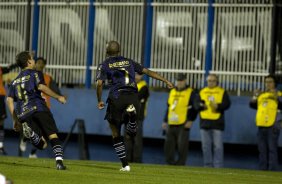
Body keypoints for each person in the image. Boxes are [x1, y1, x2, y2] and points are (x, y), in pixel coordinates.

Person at [96, 41, 174, 171]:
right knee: (131, 132)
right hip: (133, 97)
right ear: (119, 50)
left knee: (115, 133)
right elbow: (148, 72)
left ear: (107, 51)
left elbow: (99, 84)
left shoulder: (104, 64)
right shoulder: (129, 62)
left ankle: (125, 165)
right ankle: (132, 118)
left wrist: (99, 100)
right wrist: (166, 81)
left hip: (117, 97)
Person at [6, 51, 67, 170]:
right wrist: (58, 97)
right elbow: (41, 87)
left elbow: (9, 100)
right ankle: (59, 163)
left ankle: (32, 135)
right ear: (29, 62)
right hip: (38, 107)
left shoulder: (15, 81)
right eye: (33, 59)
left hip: (23, 113)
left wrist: (15, 120)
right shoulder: (35, 73)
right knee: (52, 135)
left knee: (42, 144)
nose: (34, 61)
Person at [18, 57, 63, 158]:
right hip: (31, 107)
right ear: (34, 64)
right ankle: (24, 138)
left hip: (43, 108)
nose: (40, 65)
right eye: (38, 62)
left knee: (43, 134)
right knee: (32, 127)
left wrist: (60, 96)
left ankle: (32, 152)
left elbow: (55, 90)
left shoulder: (48, 77)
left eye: (42, 63)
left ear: (44, 65)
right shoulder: (28, 76)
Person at [194, 74, 231, 168]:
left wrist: (218, 106)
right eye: (209, 81)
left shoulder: (222, 91)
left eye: (213, 80)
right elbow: (196, 104)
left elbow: (227, 104)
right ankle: (207, 165)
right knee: (205, 146)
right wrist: (202, 106)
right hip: (204, 122)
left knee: (218, 147)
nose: (211, 82)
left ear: (217, 82)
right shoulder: (202, 91)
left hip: (217, 122)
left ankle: (218, 166)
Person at [162, 73, 198, 165]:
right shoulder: (172, 91)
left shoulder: (191, 92)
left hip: (183, 122)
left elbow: (195, 108)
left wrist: (190, 120)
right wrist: (165, 120)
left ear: (185, 80)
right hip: (171, 122)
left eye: (181, 80)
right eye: (178, 80)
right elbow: (169, 107)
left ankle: (181, 163)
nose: (179, 82)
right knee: (169, 145)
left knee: (182, 146)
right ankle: (170, 163)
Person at [249, 75, 282, 171]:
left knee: (272, 149)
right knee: (262, 150)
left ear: (275, 83)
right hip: (261, 124)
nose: (268, 84)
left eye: (270, 82)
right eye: (266, 82)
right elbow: (252, 104)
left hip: (273, 125)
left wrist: (278, 98)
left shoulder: (279, 94)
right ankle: (263, 171)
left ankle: (272, 170)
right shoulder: (262, 95)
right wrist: (255, 95)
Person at [124, 73, 149, 163]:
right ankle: (127, 160)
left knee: (137, 140)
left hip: (138, 118)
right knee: (127, 140)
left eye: (139, 75)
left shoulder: (144, 87)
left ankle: (137, 161)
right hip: (128, 117)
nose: (137, 77)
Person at [0, 63, 18, 155]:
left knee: (1, 121)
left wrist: (18, 63)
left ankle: (1, 145)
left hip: (0, 96)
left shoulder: (0, 69)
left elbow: (9, 68)